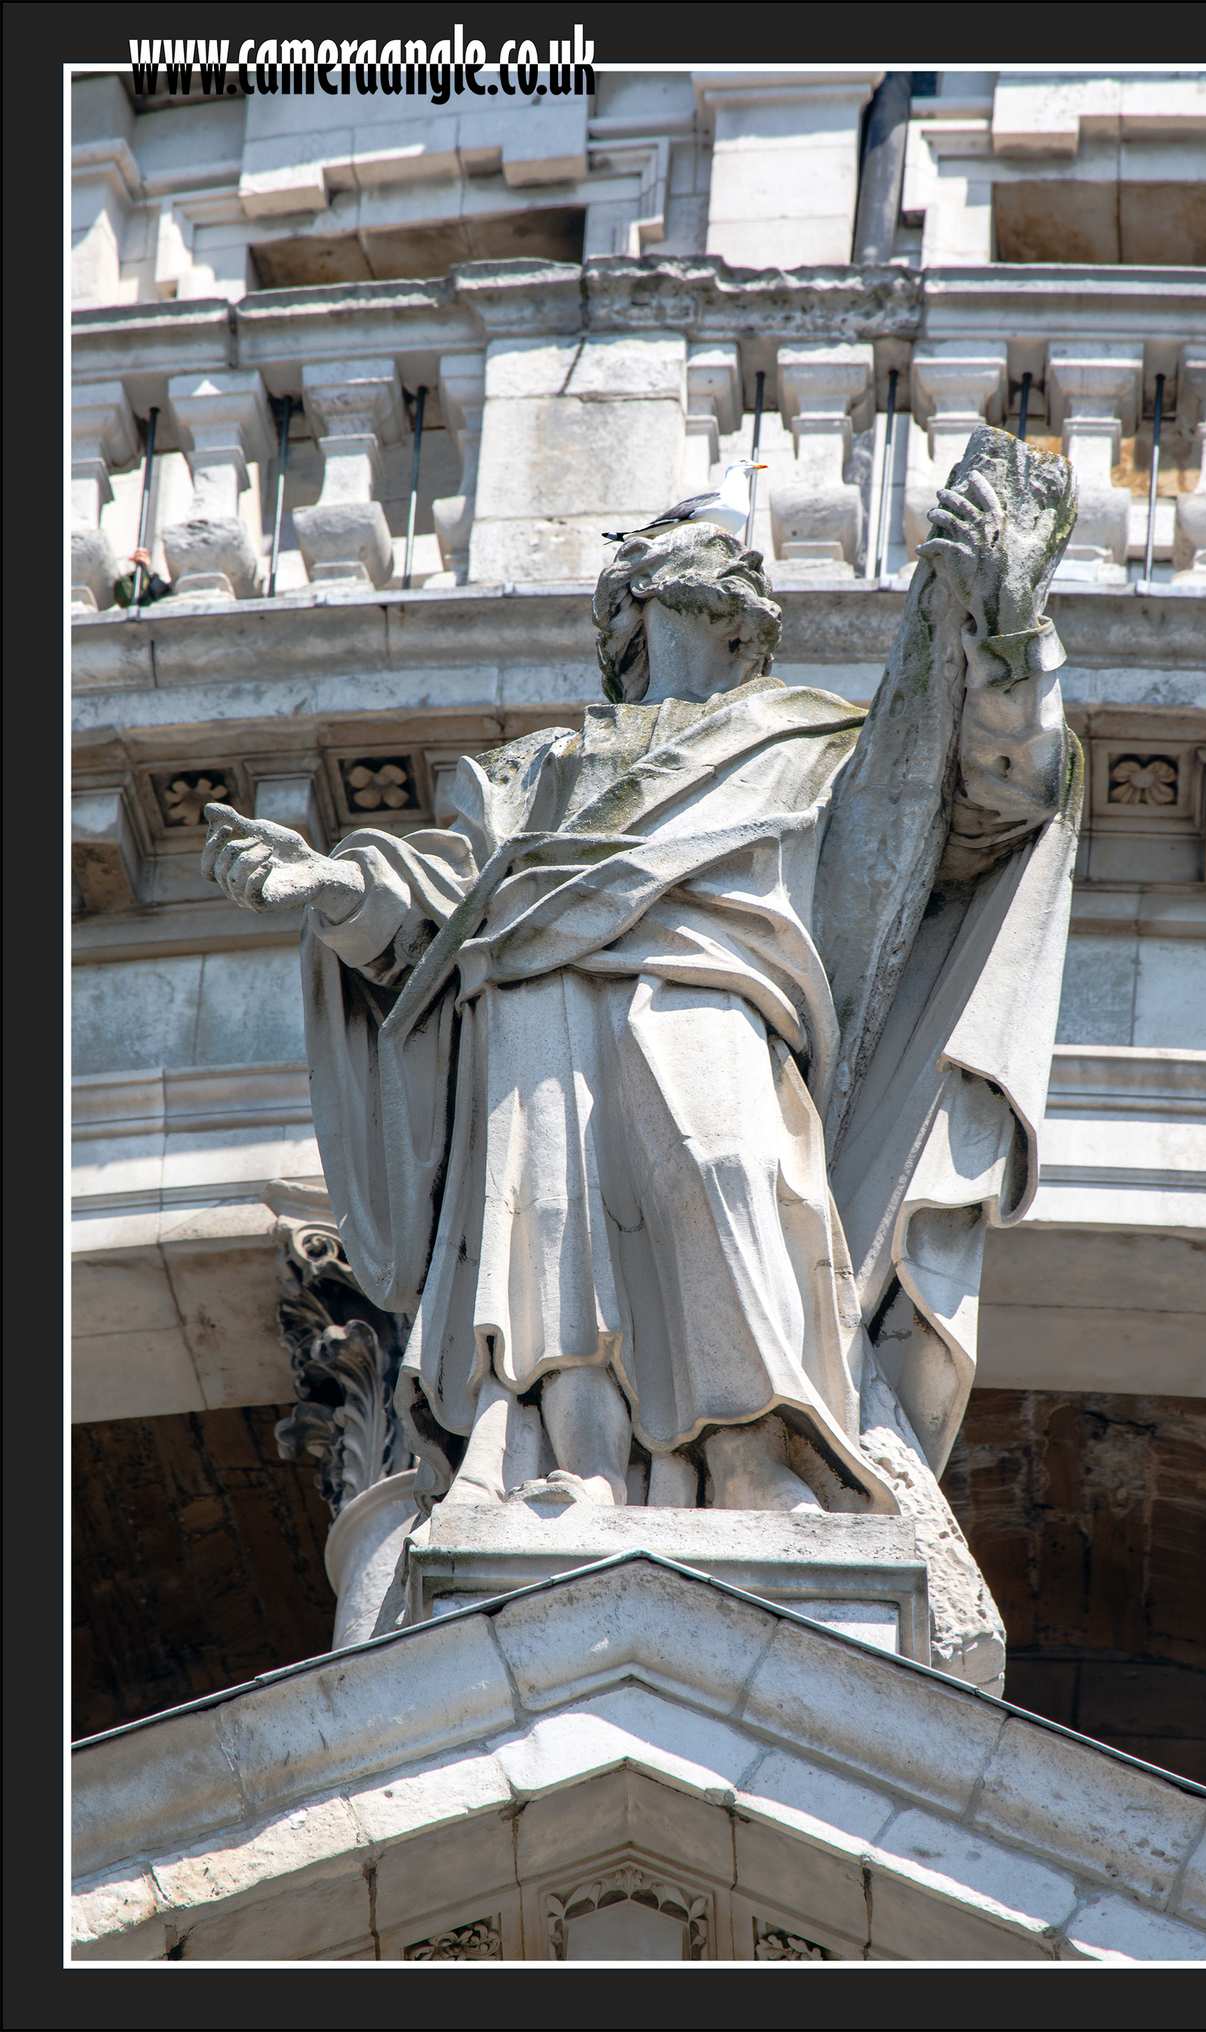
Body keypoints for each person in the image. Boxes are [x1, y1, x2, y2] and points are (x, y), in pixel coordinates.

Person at [202, 427, 1082, 1523]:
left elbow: (980, 807)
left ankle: (759, 1449)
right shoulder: (535, 772)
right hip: (534, 991)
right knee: (546, 1228)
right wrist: (330, 889)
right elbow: (436, 909)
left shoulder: (813, 743)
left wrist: (1001, 640)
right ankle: (574, 1461)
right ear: (630, 605)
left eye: (740, 555)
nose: (735, 552)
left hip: (715, 994)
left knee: (724, 1172)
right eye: (695, 543)